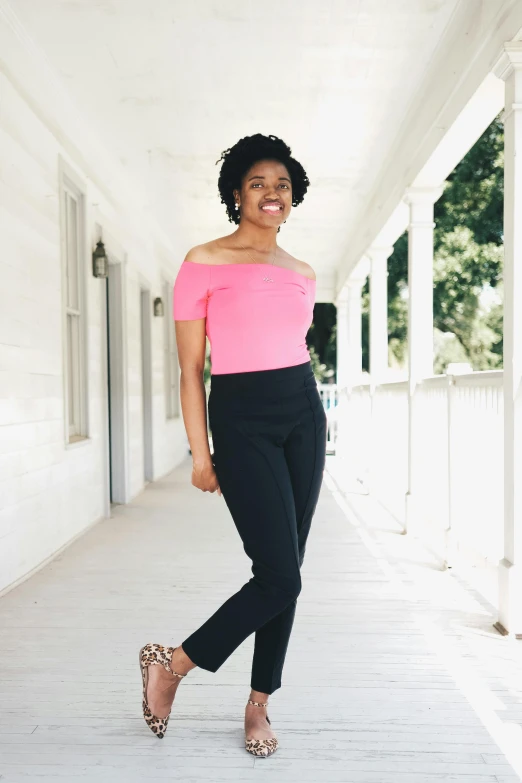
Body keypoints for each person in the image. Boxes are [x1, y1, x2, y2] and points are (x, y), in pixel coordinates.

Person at [138, 133, 327, 757]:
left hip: (302, 411)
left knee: (287, 573)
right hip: (241, 416)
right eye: (257, 184)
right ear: (236, 196)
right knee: (278, 575)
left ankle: (258, 705)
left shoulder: (302, 273)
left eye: (281, 184)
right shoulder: (203, 261)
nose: (272, 193)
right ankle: (173, 664)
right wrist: (200, 453)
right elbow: (190, 370)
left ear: (292, 195)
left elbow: (293, 347)